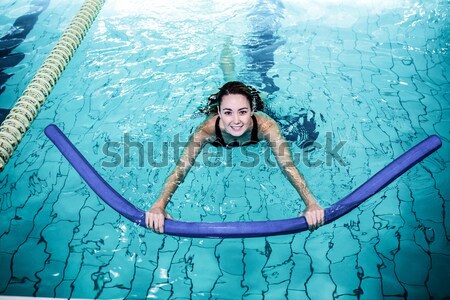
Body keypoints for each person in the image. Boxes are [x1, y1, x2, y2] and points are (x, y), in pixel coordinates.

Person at [145, 81, 325, 233]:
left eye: (243, 111)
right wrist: (159, 205)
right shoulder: (207, 130)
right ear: (219, 112)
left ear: (252, 110)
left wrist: (311, 203)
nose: (236, 121)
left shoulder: (266, 126)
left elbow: (287, 166)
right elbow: (181, 169)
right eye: (228, 112)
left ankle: (254, 94)